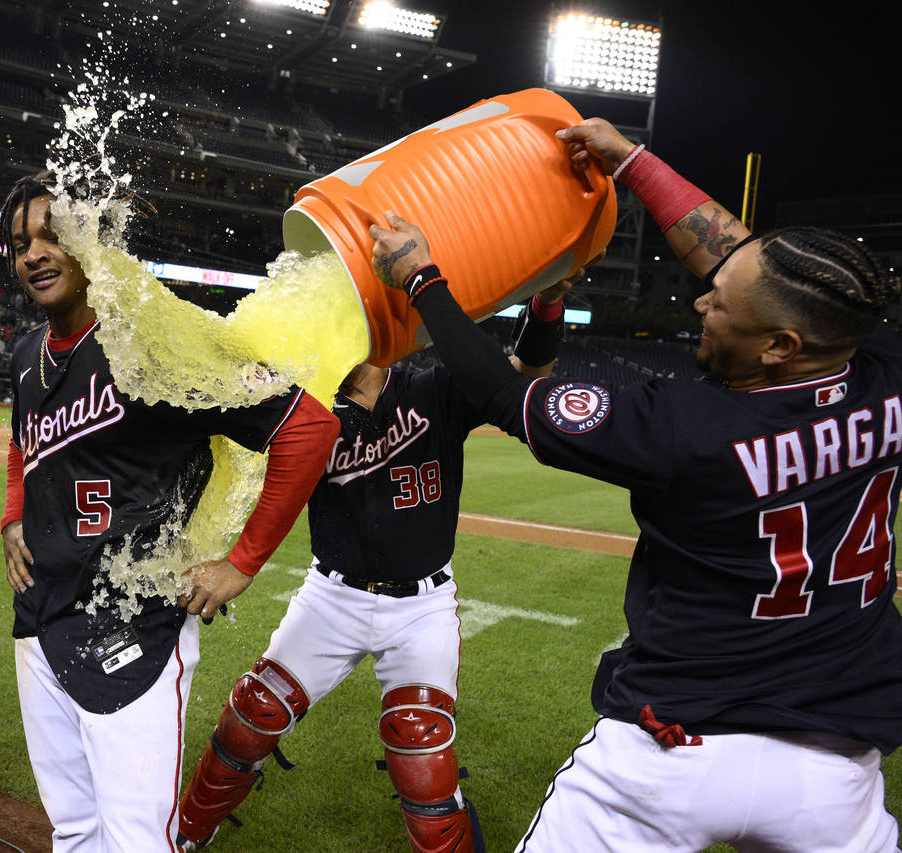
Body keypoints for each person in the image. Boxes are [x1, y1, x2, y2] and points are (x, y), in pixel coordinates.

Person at [368, 118, 902, 852]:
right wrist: (635, 163)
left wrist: (420, 279)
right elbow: (747, 260)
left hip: (668, 754)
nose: (701, 302)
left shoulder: (684, 425)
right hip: (834, 774)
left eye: (721, 301)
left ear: (781, 346)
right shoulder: (877, 365)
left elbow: (506, 396)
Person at [0, 173, 340, 852]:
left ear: (90, 242)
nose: (33, 253)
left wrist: (242, 562)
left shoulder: (151, 342)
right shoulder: (23, 356)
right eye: (18, 244)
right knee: (73, 829)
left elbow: (307, 427)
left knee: (136, 839)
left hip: (133, 628)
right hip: (38, 621)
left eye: (52, 235)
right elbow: (20, 438)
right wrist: (13, 513)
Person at [175, 273, 576, 853]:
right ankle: (184, 833)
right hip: (330, 597)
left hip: (421, 604)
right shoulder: (304, 410)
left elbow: (525, 372)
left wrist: (549, 299)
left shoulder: (436, 388)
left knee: (420, 742)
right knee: (252, 714)